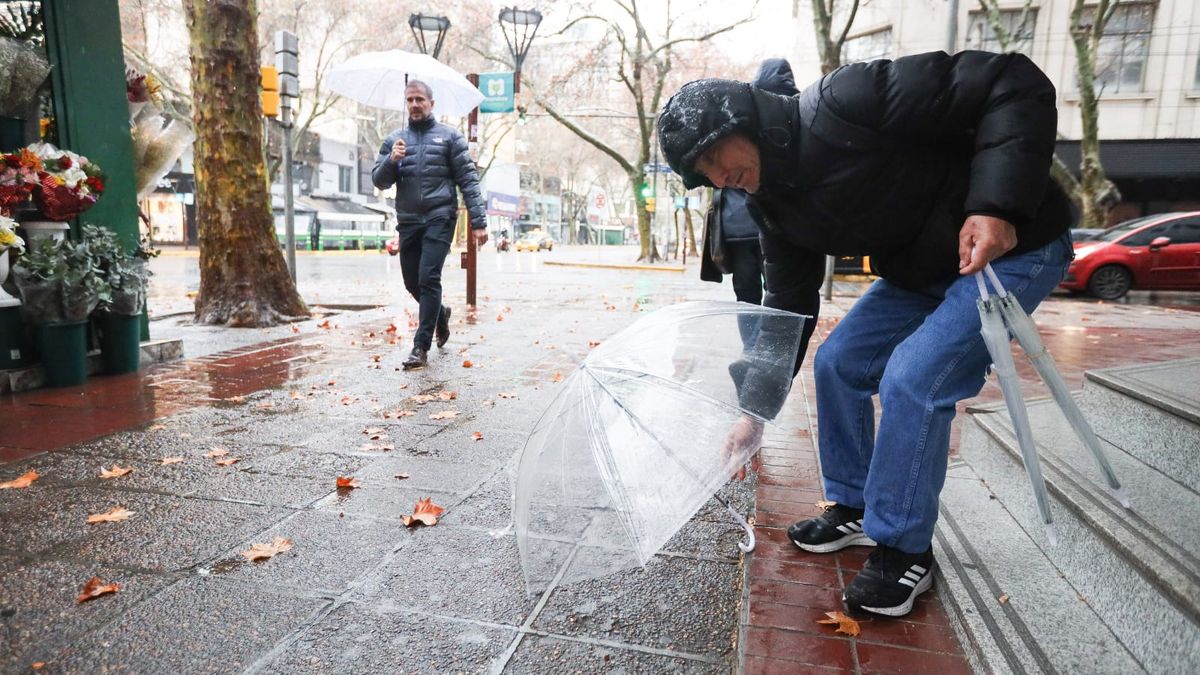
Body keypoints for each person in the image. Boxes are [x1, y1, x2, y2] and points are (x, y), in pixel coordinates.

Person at [658, 50, 1073, 617]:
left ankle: (905, 548)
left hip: (1013, 247)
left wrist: (996, 206)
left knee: (914, 378)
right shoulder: (770, 207)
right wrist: (752, 412)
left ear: (741, 120)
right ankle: (853, 504)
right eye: (702, 174)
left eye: (712, 156)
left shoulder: (847, 100)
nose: (717, 177)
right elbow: (788, 308)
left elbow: (1011, 80)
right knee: (839, 365)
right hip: (925, 266)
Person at [373, 80, 488, 369]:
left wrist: (478, 222)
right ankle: (440, 314)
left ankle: (420, 347)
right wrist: (391, 160)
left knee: (428, 278)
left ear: (431, 104)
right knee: (412, 282)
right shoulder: (394, 141)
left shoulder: (450, 137)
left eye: (419, 99)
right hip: (409, 220)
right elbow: (379, 180)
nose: (414, 104)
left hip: (440, 216)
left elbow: (468, 181)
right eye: (410, 100)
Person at [701, 59, 798, 347]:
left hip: (746, 229)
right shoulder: (752, 126)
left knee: (752, 293)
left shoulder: (744, 124)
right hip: (754, 227)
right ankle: (761, 351)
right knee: (771, 291)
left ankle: (755, 349)